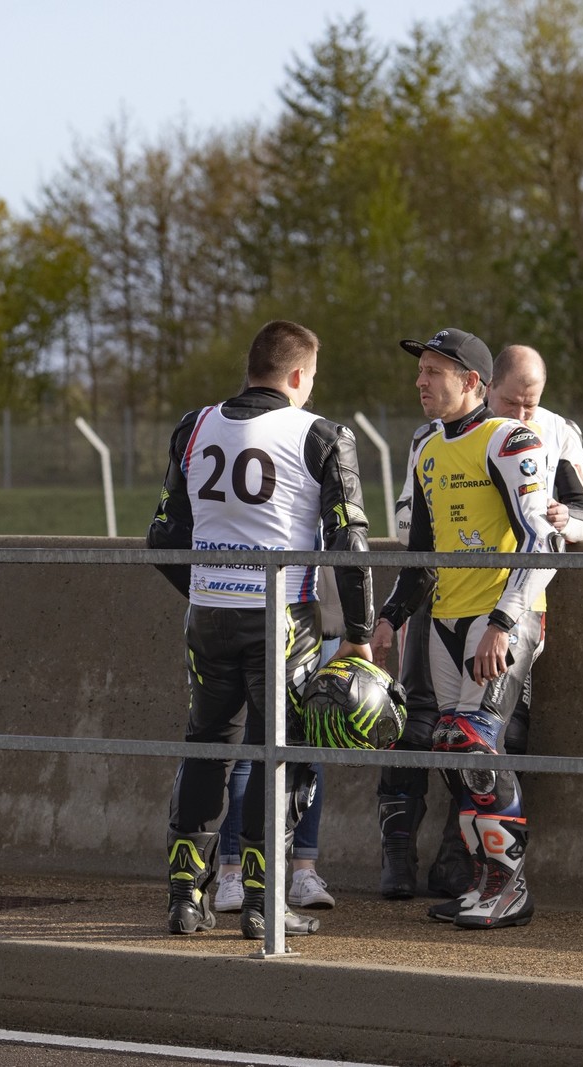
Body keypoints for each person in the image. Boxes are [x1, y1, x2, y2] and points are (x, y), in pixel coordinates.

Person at [148, 319, 374, 940]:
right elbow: (351, 544)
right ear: (299, 375)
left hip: (209, 616)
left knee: (206, 748)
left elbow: (163, 539)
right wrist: (357, 634)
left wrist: (204, 590)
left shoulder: (194, 426)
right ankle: (261, 906)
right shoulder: (323, 434)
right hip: (283, 622)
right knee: (281, 758)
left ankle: (184, 901)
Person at [376, 344, 583, 899]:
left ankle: (510, 889)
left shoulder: (511, 438)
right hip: (447, 617)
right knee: (452, 746)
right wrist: (388, 618)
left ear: (471, 379)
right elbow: (421, 552)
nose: (420, 381)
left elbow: (542, 538)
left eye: (433, 372)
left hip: (500, 617)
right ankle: (480, 882)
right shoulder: (428, 445)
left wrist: (504, 620)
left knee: (478, 746)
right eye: (420, 371)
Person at [216, 569, 345, 913]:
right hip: (246, 605)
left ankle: (304, 870)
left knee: (307, 745)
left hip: (317, 613)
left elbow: (346, 537)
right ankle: (232, 870)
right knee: (246, 746)